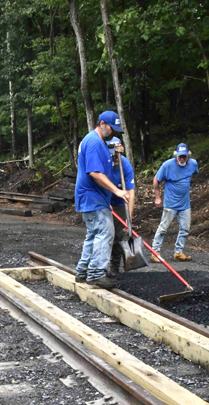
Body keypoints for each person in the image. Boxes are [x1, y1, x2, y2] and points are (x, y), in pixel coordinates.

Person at [74, 110, 130, 288]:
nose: (113, 132)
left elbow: (103, 166)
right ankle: (96, 273)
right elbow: (95, 173)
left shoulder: (99, 143)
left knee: (94, 234)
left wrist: (115, 155)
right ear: (102, 124)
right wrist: (118, 191)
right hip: (92, 196)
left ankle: (82, 271)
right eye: (111, 128)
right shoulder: (94, 142)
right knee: (106, 232)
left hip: (95, 197)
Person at [152, 143, 198, 261]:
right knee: (163, 228)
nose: (182, 159)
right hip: (170, 204)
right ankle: (155, 252)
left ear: (188, 156)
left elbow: (194, 174)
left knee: (185, 228)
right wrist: (157, 197)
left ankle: (178, 252)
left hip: (185, 204)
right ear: (176, 155)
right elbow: (156, 180)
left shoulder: (193, 164)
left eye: (184, 156)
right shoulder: (167, 166)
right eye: (180, 156)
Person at [106, 136, 135, 277]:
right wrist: (105, 204)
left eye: (118, 155)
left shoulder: (126, 165)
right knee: (102, 234)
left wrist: (128, 217)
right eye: (113, 155)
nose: (116, 158)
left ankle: (115, 267)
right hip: (103, 201)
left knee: (117, 236)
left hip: (118, 203)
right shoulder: (103, 163)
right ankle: (97, 267)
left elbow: (131, 193)